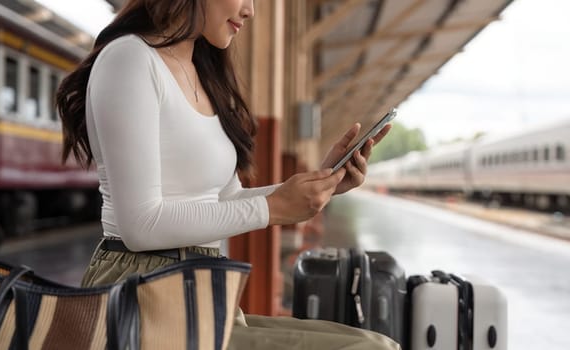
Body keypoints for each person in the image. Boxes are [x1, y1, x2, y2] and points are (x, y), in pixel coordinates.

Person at [56, 0, 396, 349]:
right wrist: (274, 208)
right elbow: (140, 226)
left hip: (200, 290)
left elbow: (225, 199)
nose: (250, 11)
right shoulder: (129, 58)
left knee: (378, 343)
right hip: (140, 295)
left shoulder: (203, 73)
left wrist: (323, 183)